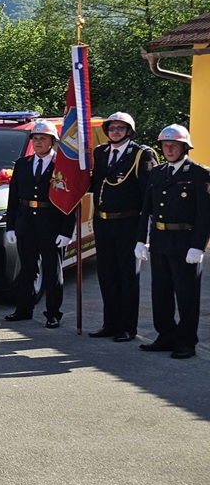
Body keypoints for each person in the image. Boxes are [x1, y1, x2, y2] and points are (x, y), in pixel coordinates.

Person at [135, 124, 210, 360]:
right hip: (160, 239)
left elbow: (205, 214)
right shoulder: (157, 172)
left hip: (185, 241)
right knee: (161, 292)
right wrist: (141, 240)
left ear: (184, 147)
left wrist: (198, 246)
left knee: (186, 295)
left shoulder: (199, 173)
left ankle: (186, 341)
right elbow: (147, 208)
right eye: (165, 145)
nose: (168, 149)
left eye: (174, 145)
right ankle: (166, 335)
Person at [88, 112, 156, 342]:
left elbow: (148, 195)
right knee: (107, 276)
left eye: (120, 128)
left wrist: (145, 234)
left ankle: (127, 327)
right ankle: (110, 323)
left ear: (129, 131)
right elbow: (95, 183)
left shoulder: (141, 154)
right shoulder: (101, 152)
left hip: (128, 223)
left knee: (127, 277)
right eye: (112, 127)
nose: (115, 131)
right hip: (103, 222)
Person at [4, 120, 76, 328]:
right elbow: (13, 197)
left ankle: (53, 313)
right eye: (35, 138)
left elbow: (70, 201)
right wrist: (10, 226)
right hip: (26, 223)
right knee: (27, 269)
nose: (38, 142)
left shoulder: (61, 166)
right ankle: (23, 309)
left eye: (43, 138)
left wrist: (66, 231)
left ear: (52, 141)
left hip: (52, 224)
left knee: (52, 271)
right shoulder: (22, 164)